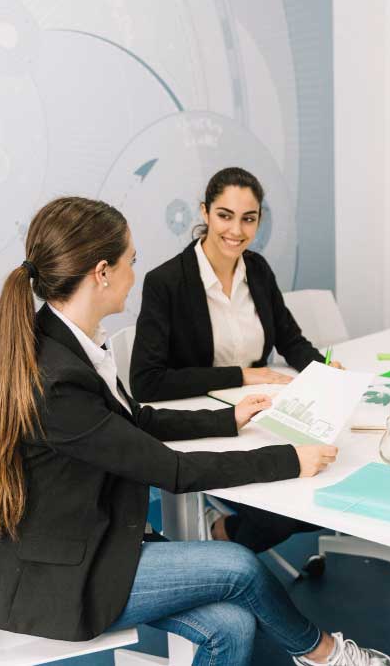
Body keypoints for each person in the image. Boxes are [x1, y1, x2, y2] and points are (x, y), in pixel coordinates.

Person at [0, 197, 390, 666]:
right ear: (102, 272)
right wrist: (289, 459)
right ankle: (325, 654)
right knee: (238, 565)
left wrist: (226, 419)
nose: (135, 273)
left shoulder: (65, 341)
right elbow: (171, 470)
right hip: (61, 579)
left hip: (84, 543)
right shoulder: (58, 379)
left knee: (232, 626)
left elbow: (130, 424)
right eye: (131, 260)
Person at [130, 166, 332, 550]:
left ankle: (224, 533)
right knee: (282, 514)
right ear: (205, 213)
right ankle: (226, 534)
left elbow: (291, 339)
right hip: (209, 423)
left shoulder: (257, 270)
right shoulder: (166, 283)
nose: (236, 230)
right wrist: (241, 375)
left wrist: (324, 371)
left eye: (248, 219)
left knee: (323, 481)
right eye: (225, 215)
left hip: (267, 415)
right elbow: (147, 381)